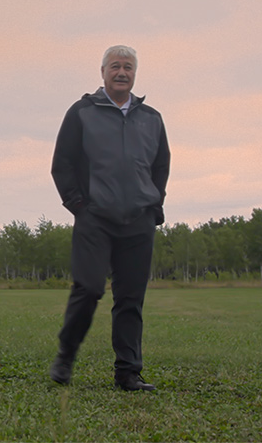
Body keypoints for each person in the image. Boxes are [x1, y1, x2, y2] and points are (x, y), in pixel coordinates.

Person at [49, 45, 170, 391]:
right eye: (115, 66)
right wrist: (79, 206)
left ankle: (128, 372)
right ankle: (66, 355)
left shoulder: (152, 118)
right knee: (88, 288)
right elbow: (63, 164)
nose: (122, 72)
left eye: (128, 67)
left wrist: (155, 204)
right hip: (95, 219)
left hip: (139, 221)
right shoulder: (82, 112)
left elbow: (161, 166)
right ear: (102, 72)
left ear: (135, 74)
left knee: (131, 298)